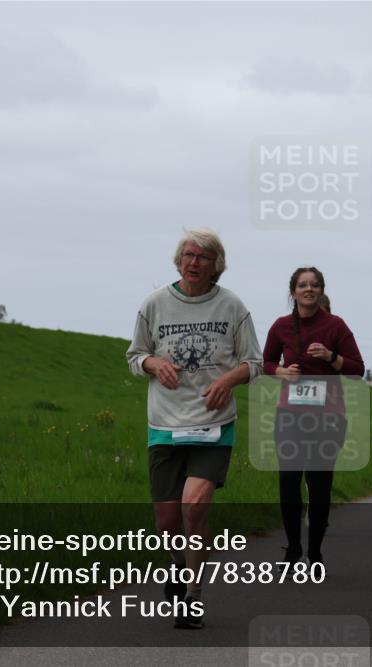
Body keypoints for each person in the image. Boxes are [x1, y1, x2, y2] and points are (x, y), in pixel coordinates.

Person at [126, 228, 262, 629]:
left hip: (213, 425)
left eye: (203, 257)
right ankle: (179, 565)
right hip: (165, 423)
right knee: (168, 522)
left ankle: (193, 597)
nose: (193, 262)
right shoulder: (154, 304)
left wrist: (226, 381)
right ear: (178, 260)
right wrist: (154, 364)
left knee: (194, 506)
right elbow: (134, 356)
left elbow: (254, 363)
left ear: (215, 265)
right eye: (188, 255)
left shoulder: (232, 307)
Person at [263, 267, 364, 566]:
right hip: (289, 416)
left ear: (321, 290)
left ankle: (315, 552)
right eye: (303, 285)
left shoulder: (335, 326)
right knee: (289, 480)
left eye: (315, 285)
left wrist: (332, 358)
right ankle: (293, 549)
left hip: (328, 417)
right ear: (293, 292)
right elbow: (265, 362)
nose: (309, 289)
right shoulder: (281, 326)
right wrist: (281, 371)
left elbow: (357, 369)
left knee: (319, 483)